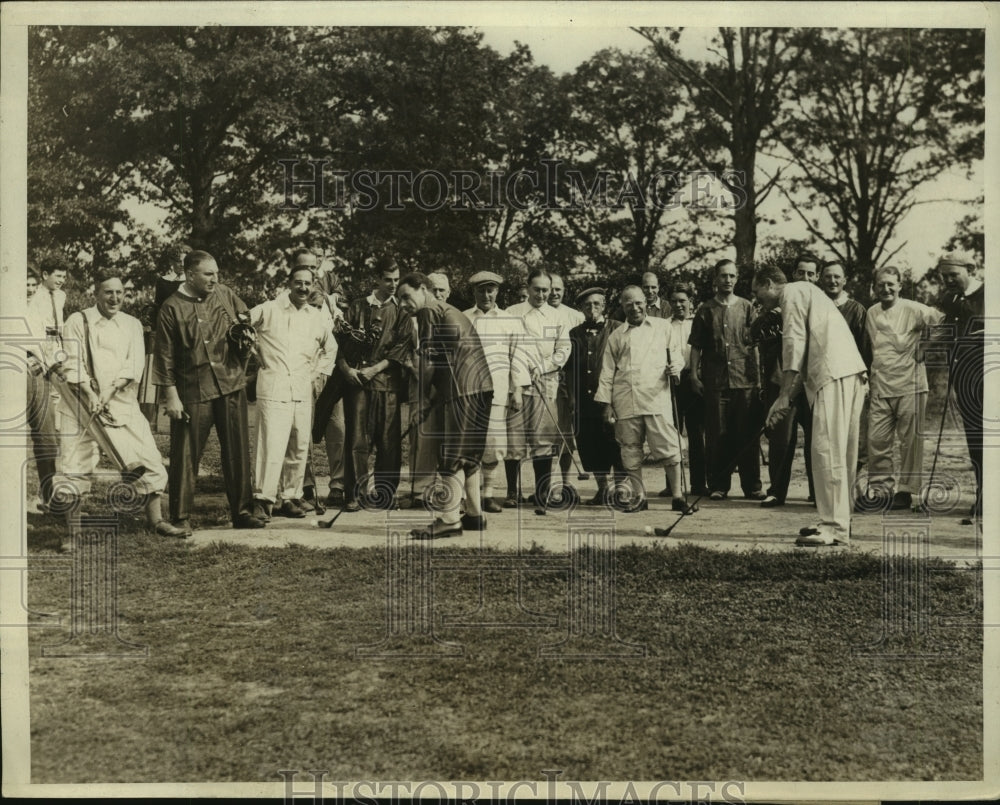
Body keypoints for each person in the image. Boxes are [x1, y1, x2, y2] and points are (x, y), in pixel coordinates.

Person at [55, 269, 187, 537]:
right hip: (79, 403)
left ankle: (155, 520)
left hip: (121, 402)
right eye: (108, 292)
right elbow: (72, 363)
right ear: (96, 294)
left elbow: (134, 365)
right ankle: (72, 533)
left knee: (148, 458)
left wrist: (110, 393)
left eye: (120, 292)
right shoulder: (77, 321)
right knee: (74, 465)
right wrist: (92, 395)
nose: (115, 298)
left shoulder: (132, 324)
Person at [752, 265, 867, 545]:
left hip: (834, 374)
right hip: (846, 373)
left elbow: (794, 342)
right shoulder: (807, 293)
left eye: (757, 293)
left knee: (826, 450)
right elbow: (803, 360)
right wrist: (785, 399)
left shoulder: (791, 292)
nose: (758, 300)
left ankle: (832, 527)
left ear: (769, 284)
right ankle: (839, 523)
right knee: (840, 452)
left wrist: (781, 396)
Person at [152, 249, 264, 532]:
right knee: (186, 455)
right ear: (190, 275)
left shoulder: (224, 293)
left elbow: (244, 319)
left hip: (230, 383)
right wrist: (171, 395)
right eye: (208, 274)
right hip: (193, 390)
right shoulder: (171, 307)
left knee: (237, 451)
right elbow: (163, 356)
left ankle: (242, 513)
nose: (215, 279)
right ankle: (180, 516)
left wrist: (245, 336)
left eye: (216, 273)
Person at [396, 272, 493, 539]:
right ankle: (474, 516)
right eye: (399, 300)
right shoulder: (444, 309)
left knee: (451, 457)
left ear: (423, 289)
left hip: (462, 391)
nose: (404, 304)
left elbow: (427, 361)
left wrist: (421, 400)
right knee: (469, 457)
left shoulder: (428, 310)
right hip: (481, 388)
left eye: (407, 296)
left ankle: (450, 520)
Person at [316, 256, 413, 511]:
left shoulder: (402, 312)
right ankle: (354, 495)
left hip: (386, 384)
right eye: (388, 279)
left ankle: (385, 495)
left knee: (388, 440)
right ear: (377, 279)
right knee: (357, 440)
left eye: (396, 280)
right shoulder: (357, 307)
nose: (393, 285)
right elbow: (336, 342)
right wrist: (346, 369)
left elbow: (401, 348)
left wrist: (375, 369)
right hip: (356, 384)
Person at [247, 264, 336, 521]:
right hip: (273, 388)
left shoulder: (315, 316)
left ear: (314, 286)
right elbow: (240, 325)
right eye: (298, 282)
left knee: (298, 446)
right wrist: (255, 350)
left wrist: (320, 374)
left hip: (302, 389)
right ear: (290, 283)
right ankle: (263, 500)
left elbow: (331, 348)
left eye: (308, 283)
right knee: (271, 446)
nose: (303, 288)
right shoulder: (269, 309)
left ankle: (290, 497)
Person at [595, 286, 695, 514]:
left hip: (656, 398)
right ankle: (639, 497)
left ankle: (678, 496)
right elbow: (608, 372)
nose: (635, 307)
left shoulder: (662, 327)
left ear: (645, 303)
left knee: (669, 447)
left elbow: (677, 355)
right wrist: (607, 404)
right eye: (629, 304)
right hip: (626, 400)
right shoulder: (616, 336)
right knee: (630, 450)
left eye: (639, 302)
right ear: (622, 306)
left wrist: (675, 368)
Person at [858, 266, 944, 512]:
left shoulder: (913, 308)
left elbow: (942, 321)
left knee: (910, 443)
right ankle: (881, 490)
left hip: (911, 385)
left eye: (890, 284)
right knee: (877, 440)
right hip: (880, 385)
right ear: (875, 287)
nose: (885, 289)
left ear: (899, 286)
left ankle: (905, 491)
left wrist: (924, 347)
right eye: (881, 284)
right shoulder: (871, 313)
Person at [688, 259, 764, 501]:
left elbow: (755, 346)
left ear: (736, 279)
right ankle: (719, 485)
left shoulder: (747, 307)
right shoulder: (705, 309)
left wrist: (758, 378)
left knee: (747, 434)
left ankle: (752, 486)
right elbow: (696, 346)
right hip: (715, 382)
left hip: (745, 381)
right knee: (717, 434)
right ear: (715, 280)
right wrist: (693, 374)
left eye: (732, 276)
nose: (728, 280)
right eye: (723, 276)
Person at [504, 268, 571, 512]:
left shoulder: (557, 317)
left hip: (546, 381)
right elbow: (507, 348)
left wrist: (542, 367)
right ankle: (513, 492)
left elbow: (563, 350)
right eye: (537, 289)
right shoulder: (512, 313)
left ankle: (541, 491)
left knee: (543, 437)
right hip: (516, 383)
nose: (542, 294)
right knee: (514, 437)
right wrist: (519, 374)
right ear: (528, 288)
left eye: (546, 290)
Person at [463, 271, 529, 513]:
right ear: (474, 292)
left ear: (498, 292)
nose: (486, 294)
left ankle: (488, 495)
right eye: (481, 290)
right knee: (467, 446)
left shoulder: (509, 320)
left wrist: (518, 390)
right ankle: (466, 499)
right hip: (467, 393)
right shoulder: (463, 318)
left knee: (494, 444)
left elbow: (517, 357)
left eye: (491, 289)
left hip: (498, 392)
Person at [934, 251, 984, 525]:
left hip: (990, 379)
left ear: (971, 269)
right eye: (945, 276)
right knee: (975, 441)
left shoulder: (989, 293)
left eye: (954, 275)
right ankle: (983, 496)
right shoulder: (948, 298)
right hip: (963, 380)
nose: (949, 280)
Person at [566, 287, 624, 505]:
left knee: (614, 444)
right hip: (584, 400)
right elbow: (570, 368)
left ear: (604, 306)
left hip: (611, 399)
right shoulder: (574, 334)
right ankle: (602, 490)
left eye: (597, 304)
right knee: (590, 445)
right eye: (587, 305)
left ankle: (620, 491)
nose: (592, 309)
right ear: (581, 308)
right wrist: (572, 397)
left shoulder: (617, 329)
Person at [24, 254, 69, 513]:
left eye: (32, 285)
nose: (29, 290)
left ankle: (49, 496)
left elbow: (49, 337)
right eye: (25, 285)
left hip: (42, 369)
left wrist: (51, 362)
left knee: (46, 436)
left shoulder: (46, 302)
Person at [664, 282, 707, 496]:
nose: (678, 305)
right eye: (673, 301)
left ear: (691, 301)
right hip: (671, 382)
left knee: (696, 434)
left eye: (682, 300)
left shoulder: (698, 323)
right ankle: (673, 485)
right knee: (671, 434)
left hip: (694, 379)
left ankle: (699, 484)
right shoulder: (664, 325)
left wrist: (696, 376)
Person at [790, 253, 821, 501]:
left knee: (816, 440)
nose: (806, 278)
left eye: (811, 274)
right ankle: (776, 491)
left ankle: (816, 492)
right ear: (793, 275)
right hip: (790, 382)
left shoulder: (824, 305)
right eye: (801, 273)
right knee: (784, 438)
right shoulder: (788, 303)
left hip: (817, 383)